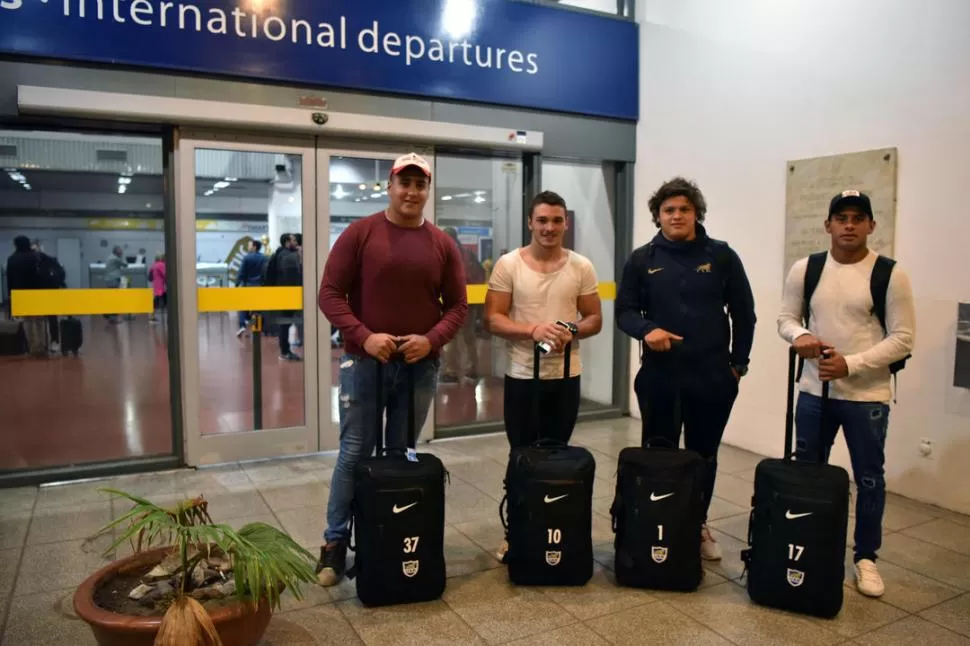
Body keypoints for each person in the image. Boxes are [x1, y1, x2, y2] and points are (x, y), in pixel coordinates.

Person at [316, 152, 468, 586]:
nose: (412, 192)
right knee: (355, 452)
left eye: (420, 185)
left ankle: (391, 531)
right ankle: (334, 544)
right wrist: (364, 335)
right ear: (390, 185)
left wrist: (431, 340)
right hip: (365, 362)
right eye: (405, 183)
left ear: (427, 190)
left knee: (401, 453)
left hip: (419, 365)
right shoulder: (360, 234)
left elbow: (457, 305)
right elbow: (329, 294)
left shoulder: (441, 243)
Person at [777, 189, 915, 598]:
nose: (849, 225)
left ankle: (866, 557)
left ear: (871, 225)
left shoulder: (890, 273)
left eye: (858, 218)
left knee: (869, 479)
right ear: (828, 225)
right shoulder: (808, 268)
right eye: (841, 218)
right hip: (814, 392)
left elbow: (903, 339)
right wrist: (801, 335)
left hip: (866, 398)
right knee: (810, 472)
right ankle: (812, 542)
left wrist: (850, 364)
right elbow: (786, 318)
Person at [616, 176, 756, 563]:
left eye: (684, 209)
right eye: (669, 210)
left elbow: (745, 314)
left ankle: (696, 523)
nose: (677, 216)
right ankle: (656, 520)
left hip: (712, 377)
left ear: (697, 214)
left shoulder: (722, 255)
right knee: (658, 453)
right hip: (659, 376)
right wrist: (647, 331)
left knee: (703, 455)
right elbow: (624, 312)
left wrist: (738, 365)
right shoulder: (642, 259)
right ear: (657, 216)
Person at [485, 191, 603, 448]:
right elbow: (493, 319)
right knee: (521, 452)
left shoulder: (581, 266)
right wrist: (533, 330)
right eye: (542, 220)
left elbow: (594, 319)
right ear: (530, 222)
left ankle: (555, 492)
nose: (549, 228)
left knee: (558, 453)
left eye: (556, 221)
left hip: (566, 375)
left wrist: (571, 329)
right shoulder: (508, 265)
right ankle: (517, 490)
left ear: (565, 223)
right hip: (523, 374)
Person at [441, 226, 487, 384]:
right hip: (470, 300)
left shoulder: (446, 253)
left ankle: (451, 372)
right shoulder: (468, 254)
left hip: (452, 300)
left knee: (451, 338)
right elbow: (480, 274)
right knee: (469, 336)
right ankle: (472, 369)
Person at [264, 233, 303, 361]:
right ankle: (285, 351)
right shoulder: (289, 257)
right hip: (289, 295)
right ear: (287, 242)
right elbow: (292, 279)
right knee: (286, 324)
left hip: (281, 294)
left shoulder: (279, 254)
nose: (296, 242)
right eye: (293, 240)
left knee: (285, 324)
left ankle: (285, 350)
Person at [234, 239, 266, 336]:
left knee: (243, 307)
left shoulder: (247, 258)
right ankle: (257, 328)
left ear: (254, 247)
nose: (248, 247)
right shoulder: (264, 258)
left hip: (248, 286)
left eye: (249, 245)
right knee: (258, 309)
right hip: (260, 286)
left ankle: (242, 325)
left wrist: (237, 283)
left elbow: (241, 272)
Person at [149, 254, 167, 324]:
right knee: (159, 302)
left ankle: (152, 316)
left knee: (156, 302)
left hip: (156, 286)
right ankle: (152, 317)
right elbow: (165, 275)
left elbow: (150, 277)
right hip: (161, 287)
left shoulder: (154, 265)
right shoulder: (161, 264)